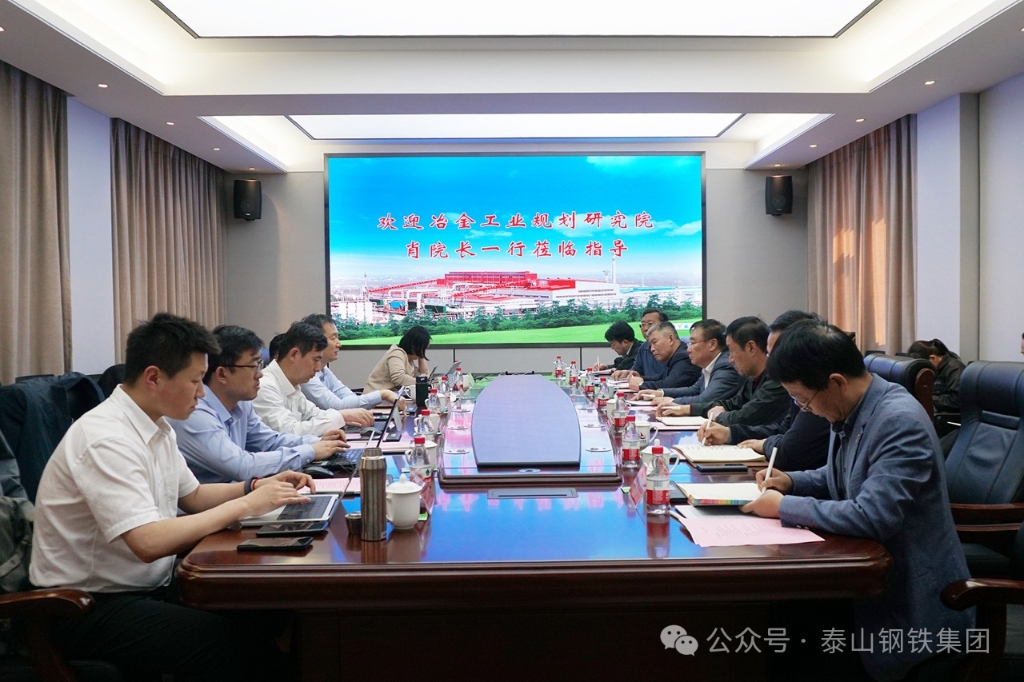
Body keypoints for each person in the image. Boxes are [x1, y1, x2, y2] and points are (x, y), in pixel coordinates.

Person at [29, 313, 312, 680]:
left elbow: (193, 495)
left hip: (143, 586)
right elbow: (147, 542)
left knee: (267, 611)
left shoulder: (156, 425)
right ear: (153, 377)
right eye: (195, 380)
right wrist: (245, 505)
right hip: (85, 607)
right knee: (231, 646)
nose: (201, 393)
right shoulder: (106, 438)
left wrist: (254, 487)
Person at [742, 319, 973, 681]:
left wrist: (783, 507)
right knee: (777, 620)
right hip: (868, 585)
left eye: (803, 399)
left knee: (786, 635)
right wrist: (791, 481)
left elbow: (873, 515)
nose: (804, 409)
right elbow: (845, 475)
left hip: (908, 604)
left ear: (836, 382)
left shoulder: (898, 421)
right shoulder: (854, 406)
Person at [170, 324, 350, 484]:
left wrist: (318, 442)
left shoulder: (241, 403)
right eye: (253, 366)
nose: (260, 374)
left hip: (238, 497)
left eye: (260, 364)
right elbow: (242, 466)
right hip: (211, 507)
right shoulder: (195, 413)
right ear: (222, 374)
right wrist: (309, 451)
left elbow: (270, 441)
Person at [694, 310, 830, 472]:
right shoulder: (798, 387)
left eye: (776, 355)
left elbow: (789, 451)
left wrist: (764, 444)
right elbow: (783, 430)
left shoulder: (819, 391)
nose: (770, 363)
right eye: (769, 354)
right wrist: (730, 434)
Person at [668, 316, 790, 427]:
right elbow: (733, 404)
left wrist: (718, 416)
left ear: (751, 348)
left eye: (732, 351)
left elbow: (745, 417)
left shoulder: (776, 380)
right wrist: (689, 409)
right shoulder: (753, 378)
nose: (730, 359)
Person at [254, 322, 374, 436]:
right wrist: (340, 416)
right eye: (315, 360)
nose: (317, 368)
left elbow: (314, 414)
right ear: (294, 355)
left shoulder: (292, 384)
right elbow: (289, 432)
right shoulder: (265, 387)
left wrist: (344, 416)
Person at [298, 313, 404, 411]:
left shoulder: (324, 370)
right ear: (316, 341)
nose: (339, 344)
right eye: (333, 338)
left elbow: (348, 396)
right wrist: (382, 394)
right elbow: (337, 407)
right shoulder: (305, 375)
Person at [639, 318, 741, 407]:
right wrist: (661, 393)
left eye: (692, 343)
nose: (688, 349)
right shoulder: (709, 364)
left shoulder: (725, 366)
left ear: (712, 344)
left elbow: (705, 400)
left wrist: (672, 401)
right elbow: (694, 390)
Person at [626, 321, 700, 391]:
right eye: (650, 345)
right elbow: (661, 377)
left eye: (654, 342)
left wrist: (641, 384)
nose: (652, 349)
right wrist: (641, 378)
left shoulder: (684, 358)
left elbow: (669, 385)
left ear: (670, 339)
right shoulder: (675, 356)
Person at [364, 325, 431, 393]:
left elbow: (424, 375)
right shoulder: (397, 354)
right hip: (376, 396)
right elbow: (398, 378)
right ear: (414, 346)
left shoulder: (408, 358)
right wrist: (421, 381)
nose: (424, 351)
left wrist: (421, 356)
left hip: (389, 395)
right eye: (423, 348)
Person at [907, 338, 966, 414]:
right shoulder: (934, 368)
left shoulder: (955, 369)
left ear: (933, 358)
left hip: (948, 414)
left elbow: (955, 400)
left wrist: (925, 398)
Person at [611, 308, 669, 382]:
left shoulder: (671, 348)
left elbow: (669, 380)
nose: (645, 328)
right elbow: (636, 370)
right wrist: (627, 373)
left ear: (664, 326)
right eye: (643, 325)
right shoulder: (643, 347)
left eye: (650, 324)